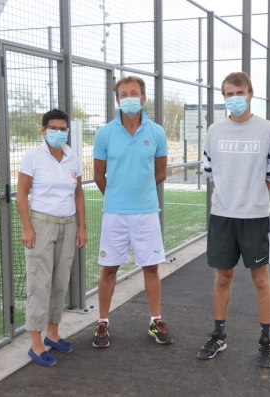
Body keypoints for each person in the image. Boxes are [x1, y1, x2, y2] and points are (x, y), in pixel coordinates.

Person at [196, 72, 270, 368]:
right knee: (223, 278)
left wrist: (258, 195)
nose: (234, 98)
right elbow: (209, 169)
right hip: (222, 216)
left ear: (250, 94)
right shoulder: (215, 130)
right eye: (229, 93)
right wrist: (228, 194)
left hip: (254, 217)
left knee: (261, 280)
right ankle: (219, 335)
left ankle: (266, 342)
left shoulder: (266, 129)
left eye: (239, 92)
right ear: (224, 97)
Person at [92, 75, 172, 348]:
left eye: (133, 93)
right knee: (109, 269)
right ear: (117, 100)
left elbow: (160, 173)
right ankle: (102, 322)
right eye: (123, 94)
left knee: (151, 268)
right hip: (114, 214)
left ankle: (155, 319)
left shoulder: (157, 132)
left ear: (143, 98)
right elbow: (99, 176)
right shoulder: (104, 133)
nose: (128, 98)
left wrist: (139, 192)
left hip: (146, 212)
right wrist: (117, 197)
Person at [16, 108, 87, 367]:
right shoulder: (33, 157)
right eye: (53, 129)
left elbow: (78, 194)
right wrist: (27, 228)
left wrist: (82, 227)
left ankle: (53, 334)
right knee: (39, 284)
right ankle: (36, 343)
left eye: (63, 129)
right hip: (41, 225)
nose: (59, 133)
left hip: (68, 226)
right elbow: (22, 194)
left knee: (60, 282)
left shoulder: (73, 158)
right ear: (43, 130)